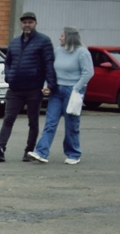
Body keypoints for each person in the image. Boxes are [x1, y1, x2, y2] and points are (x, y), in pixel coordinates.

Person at [0, 10, 57, 163]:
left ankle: (29, 151)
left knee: (33, 122)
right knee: (8, 119)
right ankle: (0, 149)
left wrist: (50, 84)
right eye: (24, 22)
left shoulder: (44, 41)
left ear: (36, 23)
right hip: (15, 88)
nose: (27, 25)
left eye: (30, 22)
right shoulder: (14, 42)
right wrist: (9, 76)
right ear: (21, 24)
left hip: (34, 88)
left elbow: (48, 63)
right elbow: (8, 62)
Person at [29, 26, 93, 165]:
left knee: (71, 125)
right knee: (50, 122)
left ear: (70, 37)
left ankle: (73, 154)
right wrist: (47, 84)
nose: (60, 38)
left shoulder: (82, 52)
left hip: (73, 91)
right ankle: (41, 152)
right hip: (57, 91)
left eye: (62, 36)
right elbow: (51, 70)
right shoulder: (58, 51)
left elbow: (88, 72)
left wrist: (76, 88)